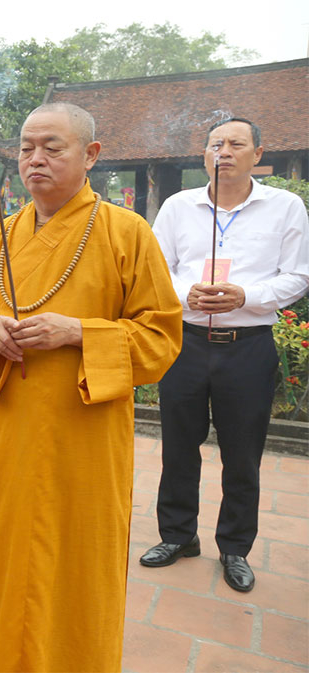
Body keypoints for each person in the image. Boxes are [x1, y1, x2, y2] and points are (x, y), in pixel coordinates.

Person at [0, 103, 182, 672]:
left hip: (86, 434)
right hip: (11, 427)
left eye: (52, 147)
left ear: (90, 155)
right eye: (27, 148)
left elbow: (161, 337)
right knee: (5, 548)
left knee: (79, 555)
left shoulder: (127, 233)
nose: (35, 159)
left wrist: (79, 332)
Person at [142, 117, 309, 593]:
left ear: (258, 153)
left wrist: (247, 296)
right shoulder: (177, 207)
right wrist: (184, 293)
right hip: (186, 344)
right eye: (216, 144)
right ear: (204, 155)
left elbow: (298, 275)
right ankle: (177, 536)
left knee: (242, 455)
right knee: (177, 447)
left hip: (248, 347)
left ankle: (235, 547)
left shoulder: (285, 207)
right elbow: (159, 268)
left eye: (237, 144)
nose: (225, 152)